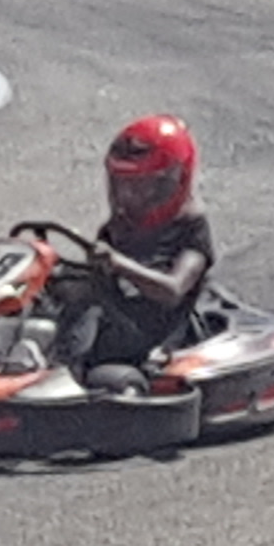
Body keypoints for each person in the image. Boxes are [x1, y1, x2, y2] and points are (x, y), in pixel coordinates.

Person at [55, 114, 215, 379]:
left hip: (154, 334)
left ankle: (65, 375)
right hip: (119, 323)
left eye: (140, 185)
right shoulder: (118, 228)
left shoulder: (190, 228)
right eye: (122, 183)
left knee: (89, 309)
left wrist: (118, 263)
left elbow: (174, 290)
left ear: (171, 181)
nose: (128, 194)